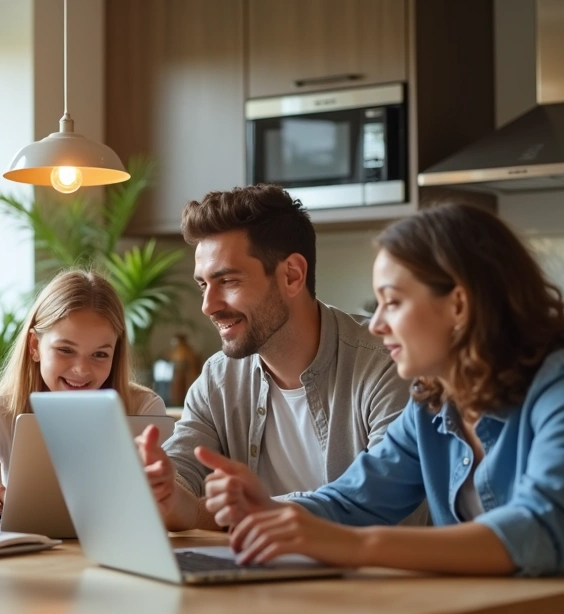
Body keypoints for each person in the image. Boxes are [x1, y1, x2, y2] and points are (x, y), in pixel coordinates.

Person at [202, 203, 564, 614]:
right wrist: (272, 508)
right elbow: (349, 502)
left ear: (459, 305)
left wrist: (354, 547)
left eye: (393, 302)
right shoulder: (432, 406)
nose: (378, 324)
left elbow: (538, 534)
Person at [136, 184, 411, 531]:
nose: (209, 306)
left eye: (228, 281)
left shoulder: (387, 363)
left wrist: (207, 512)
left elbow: (382, 502)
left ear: (292, 275)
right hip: (260, 577)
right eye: (204, 285)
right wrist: (164, 488)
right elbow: (181, 469)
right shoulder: (219, 378)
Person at [0, 270, 167, 521]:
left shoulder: (143, 408)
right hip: (32, 556)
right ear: (35, 346)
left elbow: (162, 511)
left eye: (100, 354)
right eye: (65, 350)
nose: (81, 370)